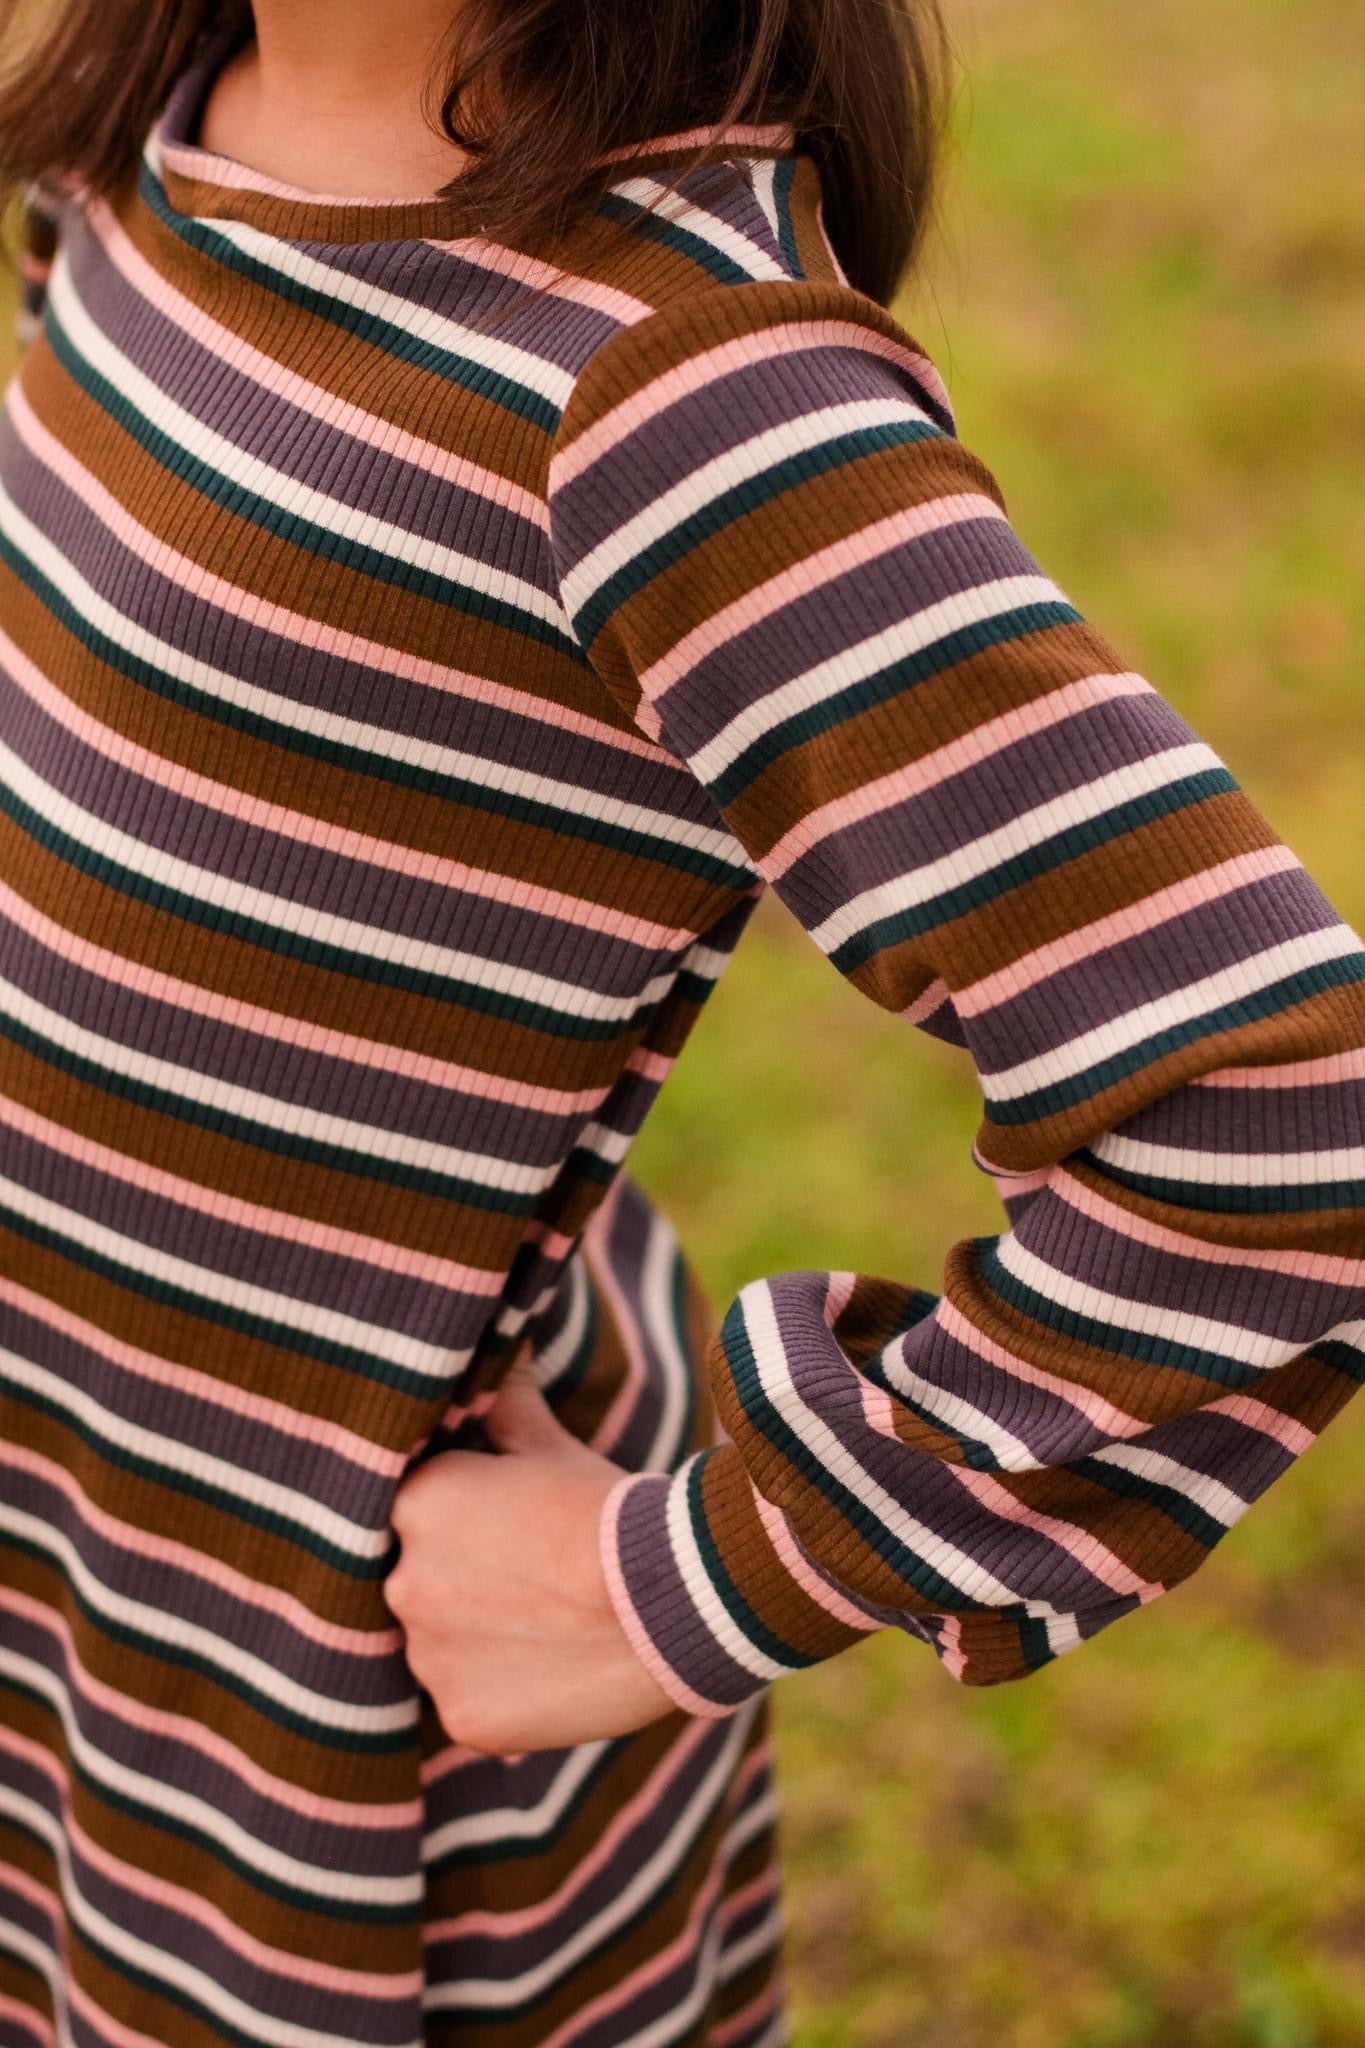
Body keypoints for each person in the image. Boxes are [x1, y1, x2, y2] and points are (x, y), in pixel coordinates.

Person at [0, 0, 1359, 2041]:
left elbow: (1277, 1121)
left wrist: (677, 1582)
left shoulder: (675, 395)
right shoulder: (157, 119)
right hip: (73, 1549)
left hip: (321, 1733)